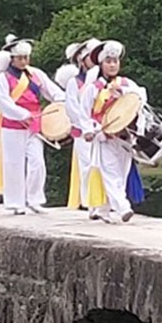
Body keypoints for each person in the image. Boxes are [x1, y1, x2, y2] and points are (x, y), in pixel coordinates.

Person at [0, 34, 65, 214]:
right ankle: (15, 202)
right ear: (11, 59)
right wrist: (22, 114)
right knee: (13, 163)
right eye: (20, 58)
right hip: (12, 125)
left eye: (26, 57)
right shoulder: (3, 78)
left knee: (37, 162)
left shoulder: (36, 74)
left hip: (34, 124)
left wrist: (61, 101)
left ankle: (35, 199)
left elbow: (51, 90)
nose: (24, 61)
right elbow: (4, 102)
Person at [79, 40, 148, 223]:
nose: (112, 65)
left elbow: (140, 98)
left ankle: (104, 208)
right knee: (111, 173)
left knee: (121, 173)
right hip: (104, 137)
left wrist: (123, 92)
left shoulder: (127, 84)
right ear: (101, 64)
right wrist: (88, 130)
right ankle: (123, 207)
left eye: (115, 61)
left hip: (124, 137)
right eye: (108, 61)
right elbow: (85, 113)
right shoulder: (93, 88)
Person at [55, 38, 101, 216]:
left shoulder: (103, 80)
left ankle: (105, 202)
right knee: (87, 166)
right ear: (82, 60)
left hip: (102, 130)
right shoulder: (75, 83)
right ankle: (91, 204)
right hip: (84, 132)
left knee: (103, 165)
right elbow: (73, 109)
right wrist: (87, 126)